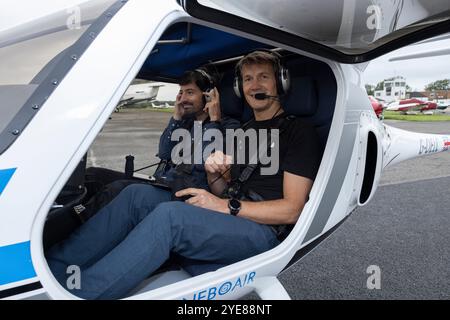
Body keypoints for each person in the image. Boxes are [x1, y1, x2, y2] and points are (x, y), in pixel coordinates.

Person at [46, 50, 322, 300]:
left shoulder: (299, 132)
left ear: (281, 83)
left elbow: (292, 210)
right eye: (248, 79)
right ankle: (53, 273)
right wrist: (216, 177)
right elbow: (222, 192)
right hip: (233, 214)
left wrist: (225, 204)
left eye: (264, 77)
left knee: (171, 217)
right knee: (135, 196)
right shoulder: (244, 131)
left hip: (264, 231)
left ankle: (83, 294)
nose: (255, 85)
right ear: (240, 88)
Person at [77, 69, 240, 221]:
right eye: (181, 93)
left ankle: (79, 223)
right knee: (92, 175)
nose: (183, 99)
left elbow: (201, 161)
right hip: (163, 182)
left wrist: (213, 121)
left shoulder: (228, 126)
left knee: (118, 189)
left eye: (190, 92)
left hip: (184, 193)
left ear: (208, 96)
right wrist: (176, 118)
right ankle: (75, 215)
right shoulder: (186, 122)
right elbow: (164, 152)